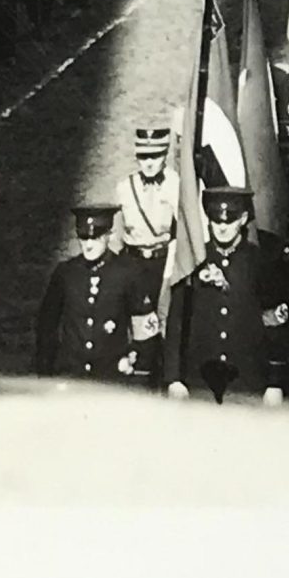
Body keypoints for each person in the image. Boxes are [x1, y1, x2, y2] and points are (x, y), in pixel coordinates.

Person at [162, 183, 289, 403]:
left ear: (242, 219)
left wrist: (274, 381)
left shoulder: (259, 262)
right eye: (216, 220)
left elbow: (275, 326)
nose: (222, 227)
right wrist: (174, 378)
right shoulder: (193, 260)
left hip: (247, 382)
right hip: (199, 382)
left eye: (229, 220)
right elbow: (176, 324)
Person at [33, 203, 145, 380]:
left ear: (110, 235)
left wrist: (133, 360)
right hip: (71, 375)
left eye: (96, 238)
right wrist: (45, 372)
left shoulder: (127, 273)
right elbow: (47, 326)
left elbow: (144, 325)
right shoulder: (66, 273)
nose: (89, 245)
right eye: (84, 238)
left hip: (111, 377)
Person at [108, 122, 180, 386]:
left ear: (165, 155)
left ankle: (162, 376)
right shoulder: (124, 187)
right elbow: (115, 234)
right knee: (134, 324)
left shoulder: (175, 184)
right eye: (144, 156)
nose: (149, 163)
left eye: (156, 156)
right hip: (132, 261)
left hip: (162, 263)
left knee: (163, 323)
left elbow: (182, 228)